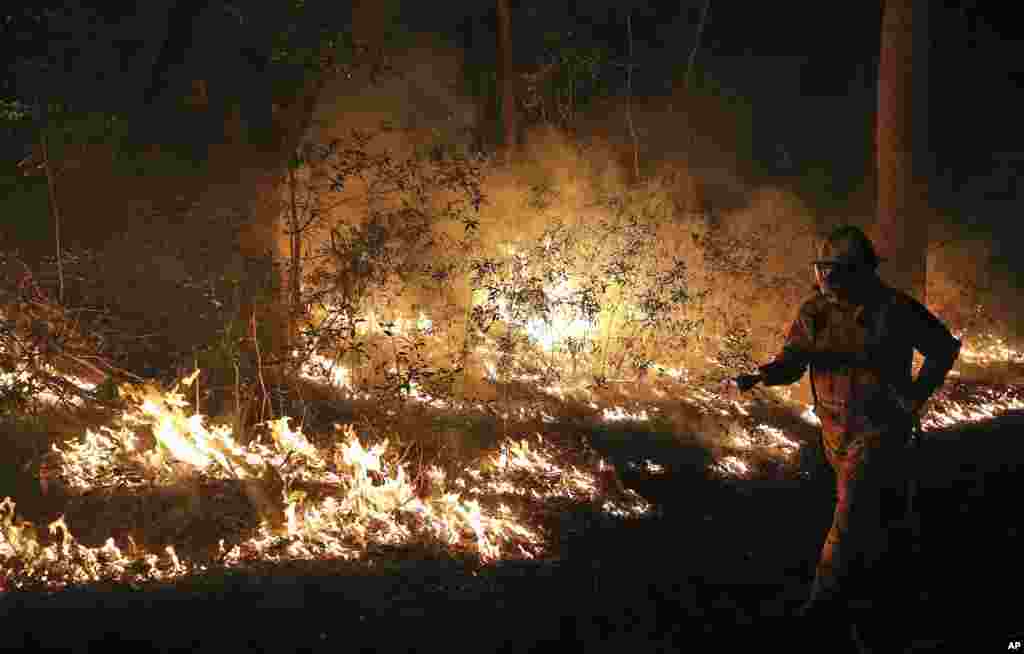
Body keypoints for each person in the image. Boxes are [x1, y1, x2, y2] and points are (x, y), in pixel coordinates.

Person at [732, 225, 960, 646]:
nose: (826, 278)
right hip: (833, 429)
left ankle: (821, 612)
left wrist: (915, 395)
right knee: (878, 520)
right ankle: (887, 604)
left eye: (836, 270)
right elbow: (793, 362)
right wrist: (762, 374)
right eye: (823, 269)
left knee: (849, 518)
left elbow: (944, 347)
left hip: (877, 430)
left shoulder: (894, 309)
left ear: (861, 272)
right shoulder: (814, 312)